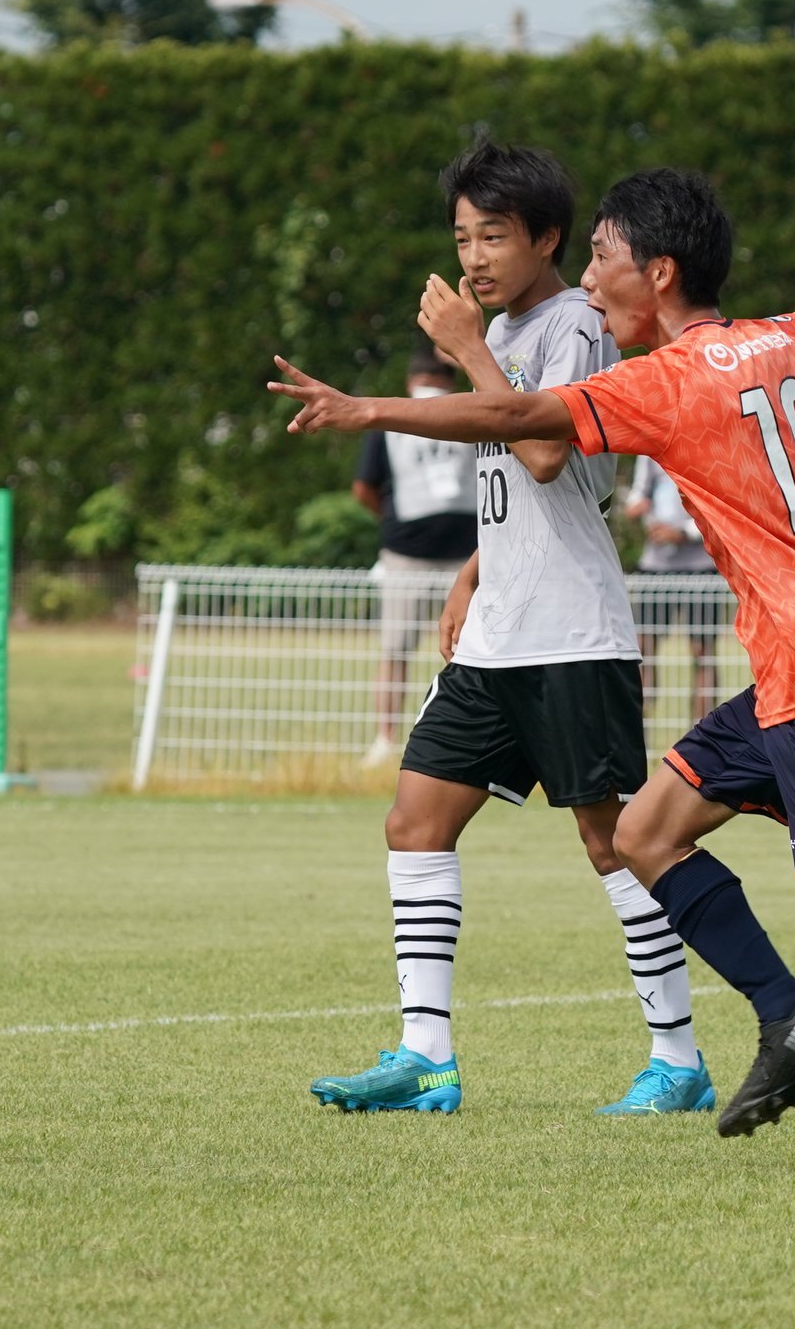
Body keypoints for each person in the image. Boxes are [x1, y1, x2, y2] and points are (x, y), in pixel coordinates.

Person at [273, 168, 795, 1181]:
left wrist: (362, 409)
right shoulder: (778, 338)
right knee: (642, 831)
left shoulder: (667, 381)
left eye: (602, 258)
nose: (590, 282)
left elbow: (518, 428)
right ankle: (784, 1016)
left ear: (660, 271)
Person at [306, 140, 713, 1119]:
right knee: (415, 820)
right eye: (461, 236)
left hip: (573, 632)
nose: (475, 255)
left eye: (494, 234)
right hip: (500, 636)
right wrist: (471, 573)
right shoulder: (513, 326)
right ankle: (424, 1055)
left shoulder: (574, 325)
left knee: (612, 843)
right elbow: (527, 490)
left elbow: (540, 455)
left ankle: (678, 1057)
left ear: (547, 238)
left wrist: (466, 351)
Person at [351, 342, 475, 767]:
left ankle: (385, 739)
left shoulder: (391, 417)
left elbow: (363, 488)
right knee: (472, 651)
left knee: (394, 650)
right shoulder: (474, 409)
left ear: (410, 380)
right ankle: (469, 738)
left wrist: (393, 519)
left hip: (412, 551)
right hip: (469, 554)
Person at [622, 454, 724, 723]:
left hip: (700, 567)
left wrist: (683, 534)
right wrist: (636, 506)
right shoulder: (647, 453)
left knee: (703, 650)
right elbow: (638, 493)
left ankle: (704, 731)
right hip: (655, 565)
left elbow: (718, 507)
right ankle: (640, 727)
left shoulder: (704, 450)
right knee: (643, 647)